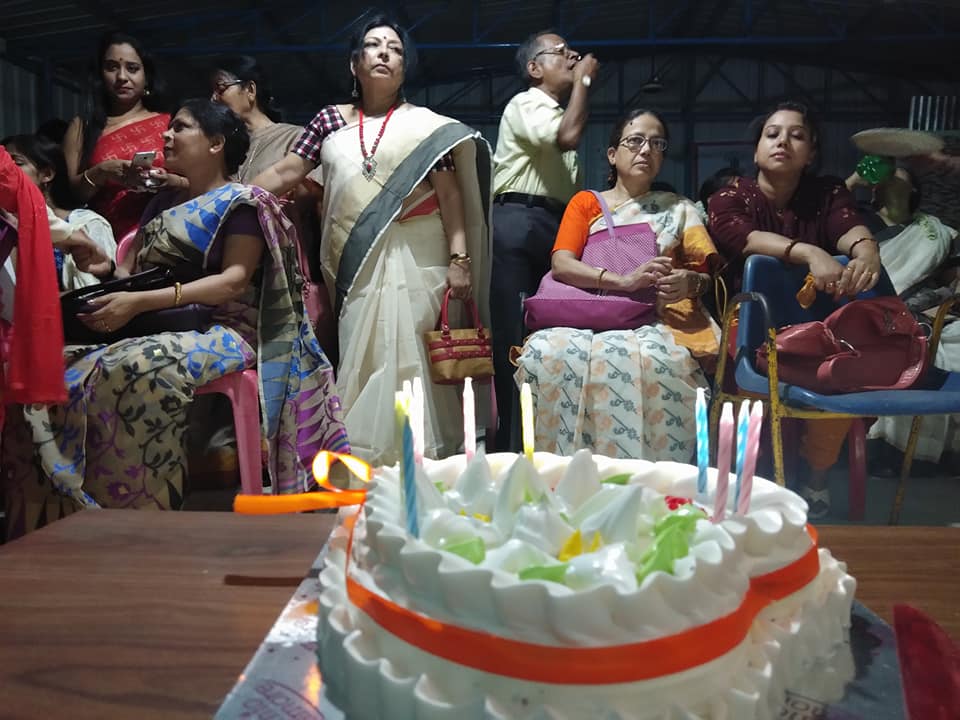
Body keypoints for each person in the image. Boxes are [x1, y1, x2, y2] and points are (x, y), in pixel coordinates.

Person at [2, 100, 349, 538]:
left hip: (228, 329)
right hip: (158, 324)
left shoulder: (242, 202)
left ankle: (140, 514)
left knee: (134, 368)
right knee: (54, 367)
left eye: (181, 128)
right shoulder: (161, 204)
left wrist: (139, 304)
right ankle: (58, 511)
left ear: (216, 144)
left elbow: (233, 281)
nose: (166, 136)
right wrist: (104, 269)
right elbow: (129, 277)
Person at [252, 14, 491, 465]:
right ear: (354, 63)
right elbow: (288, 171)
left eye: (395, 49)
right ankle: (364, 461)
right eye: (374, 45)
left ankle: (425, 463)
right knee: (365, 355)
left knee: (412, 355)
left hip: (421, 250)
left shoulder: (425, 127)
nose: (385, 53)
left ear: (404, 67)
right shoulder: (329, 120)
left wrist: (460, 259)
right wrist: (234, 196)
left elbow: (449, 195)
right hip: (354, 258)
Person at [514, 109, 720, 461]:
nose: (646, 150)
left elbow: (708, 276)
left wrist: (691, 283)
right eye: (635, 141)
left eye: (657, 143)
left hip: (653, 318)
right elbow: (562, 264)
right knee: (548, 353)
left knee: (657, 359)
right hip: (585, 312)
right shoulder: (587, 203)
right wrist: (623, 281)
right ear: (612, 154)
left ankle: (650, 476)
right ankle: (562, 469)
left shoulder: (679, 209)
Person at [708, 101, 881, 518]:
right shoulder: (729, 197)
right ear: (756, 151)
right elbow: (746, 240)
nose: (783, 141)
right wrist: (809, 252)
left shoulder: (828, 193)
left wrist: (866, 250)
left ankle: (816, 475)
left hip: (821, 328)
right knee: (749, 382)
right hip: (753, 329)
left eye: (797, 135)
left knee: (844, 372)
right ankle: (754, 480)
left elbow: (847, 225)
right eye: (772, 134)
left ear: (812, 153)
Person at [489, 30, 599, 450]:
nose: (572, 57)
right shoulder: (527, 103)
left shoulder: (560, 113)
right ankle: (509, 448)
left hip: (552, 225)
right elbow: (567, 136)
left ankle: (545, 441)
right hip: (519, 221)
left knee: (549, 337)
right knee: (514, 337)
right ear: (534, 68)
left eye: (574, 52)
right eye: (561, 52)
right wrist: (584, 80)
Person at [846, 167, 960, 469]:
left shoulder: (933, 230)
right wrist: (854, 180)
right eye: (886, 176)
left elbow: (952, 279)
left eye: (899, 176)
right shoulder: (856, 224)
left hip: (927, 312)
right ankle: (887, 450)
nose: (891, 179)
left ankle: (939, 454)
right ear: (874, 190)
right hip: (867, 312)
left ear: (913, 191)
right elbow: (823, 215)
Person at [63, 32, 180, 242]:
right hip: (107, 243)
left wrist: (168, 181)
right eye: (111, 67)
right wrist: (103, 171)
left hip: (169, 238)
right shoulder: (82, 127)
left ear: (147, 76)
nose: (122, 77)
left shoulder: (171, 123)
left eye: (132, 68)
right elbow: (70, 194)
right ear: (100, 74)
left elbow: (201, 182)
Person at [2, 134, 116, 289]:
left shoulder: (87, 224)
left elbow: (94, 292)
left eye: (16, 163)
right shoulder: (7, 223)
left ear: (47, 174)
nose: (6, 173)